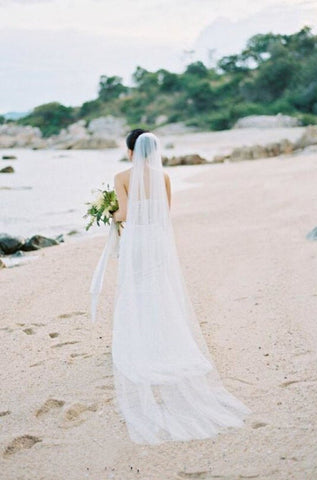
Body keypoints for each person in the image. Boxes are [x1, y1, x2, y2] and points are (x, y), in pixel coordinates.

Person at [98, 129, 251, 445]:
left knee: (135, 289)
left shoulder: (122, 176)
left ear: (130, 151)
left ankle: (140, 341)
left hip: (138, 240)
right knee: (157, 289)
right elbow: (165, 215)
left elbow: (124, 214)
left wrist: (107, 211)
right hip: (156, 240)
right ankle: (162, 338)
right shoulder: (164, 177)